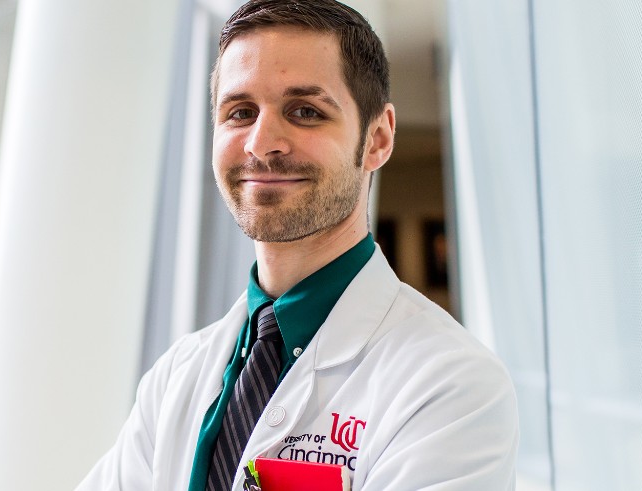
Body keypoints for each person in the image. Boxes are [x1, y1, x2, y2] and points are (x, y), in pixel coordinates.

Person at [79, 1, 518, 489]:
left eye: (305, 111)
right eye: (240, 112)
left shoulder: (450, 386)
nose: (261, 142)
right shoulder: (176, 378)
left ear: (377, 139)